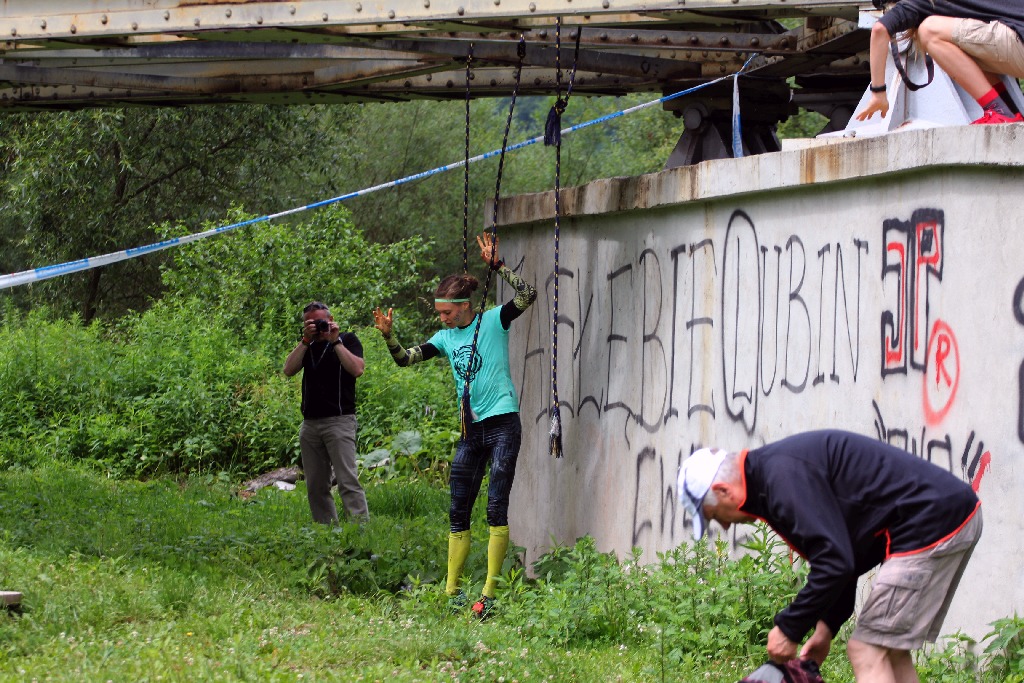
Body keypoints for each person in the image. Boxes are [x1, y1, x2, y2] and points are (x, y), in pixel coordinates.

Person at [677, 429, 982, 682]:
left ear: (724, 490)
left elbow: (836, 562)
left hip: (929, 522)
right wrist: (825, 630)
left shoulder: (781, 479)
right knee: (890, 649)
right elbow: (845, 554)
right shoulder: (773, 479)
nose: (726, 525)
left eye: (715, 515)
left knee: (867, 649)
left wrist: (789, 628)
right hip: (944, 514)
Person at [372, 233, 537, 619]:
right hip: (471, 431)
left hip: (502, 423)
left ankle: (489, 595)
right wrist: (389, 337)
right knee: (457, 510)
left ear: (463, 307)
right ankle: (453, 593)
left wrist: (499, 267)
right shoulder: (445, 338)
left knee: (496, 506)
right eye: (440, 313)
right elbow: (404, 360)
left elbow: (528, 294)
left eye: (446, 313)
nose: (441, 318)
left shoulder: (494, 320)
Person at [857, 1, 1024, 124]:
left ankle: (1000, 112)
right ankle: (1010, 111)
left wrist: (878, 93)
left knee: (929, 30)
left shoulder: (915, 3)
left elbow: (880, 30)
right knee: (962, 44)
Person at [284, 301, 369, 524]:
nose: (318, 326)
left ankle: (360, 531)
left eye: (321, 321)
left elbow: (358, 369)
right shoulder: (307, 346)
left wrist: (336, 342)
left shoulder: (347, 340)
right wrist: (305, 341)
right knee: (315, 485)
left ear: (331, 320)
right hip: (310, 424)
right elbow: (288, 370)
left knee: (347, 480)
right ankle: (326, 532)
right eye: (311, 323)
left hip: (339, 421)